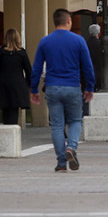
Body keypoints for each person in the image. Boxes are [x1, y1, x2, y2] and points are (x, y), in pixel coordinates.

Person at [30, 9, 95, 172]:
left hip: (52, 87)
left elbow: (37, 68)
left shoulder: (45, 41)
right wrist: (90, 87)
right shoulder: (79, 40)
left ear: (55, 21)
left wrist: (34, 89)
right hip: (72, 86)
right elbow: (88, 67)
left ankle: (61, 163)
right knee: (75, 121)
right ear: (68, 21)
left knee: (57, 125)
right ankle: (71, 148)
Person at [0, 29, 32, 125]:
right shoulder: (22, 53)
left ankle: (7, 127)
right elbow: (28, 70)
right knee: (14, 109)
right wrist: (29, 85)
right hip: (17, 84)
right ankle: (13, 127)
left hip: (3, 84)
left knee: (5, 109)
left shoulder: (0, 52)